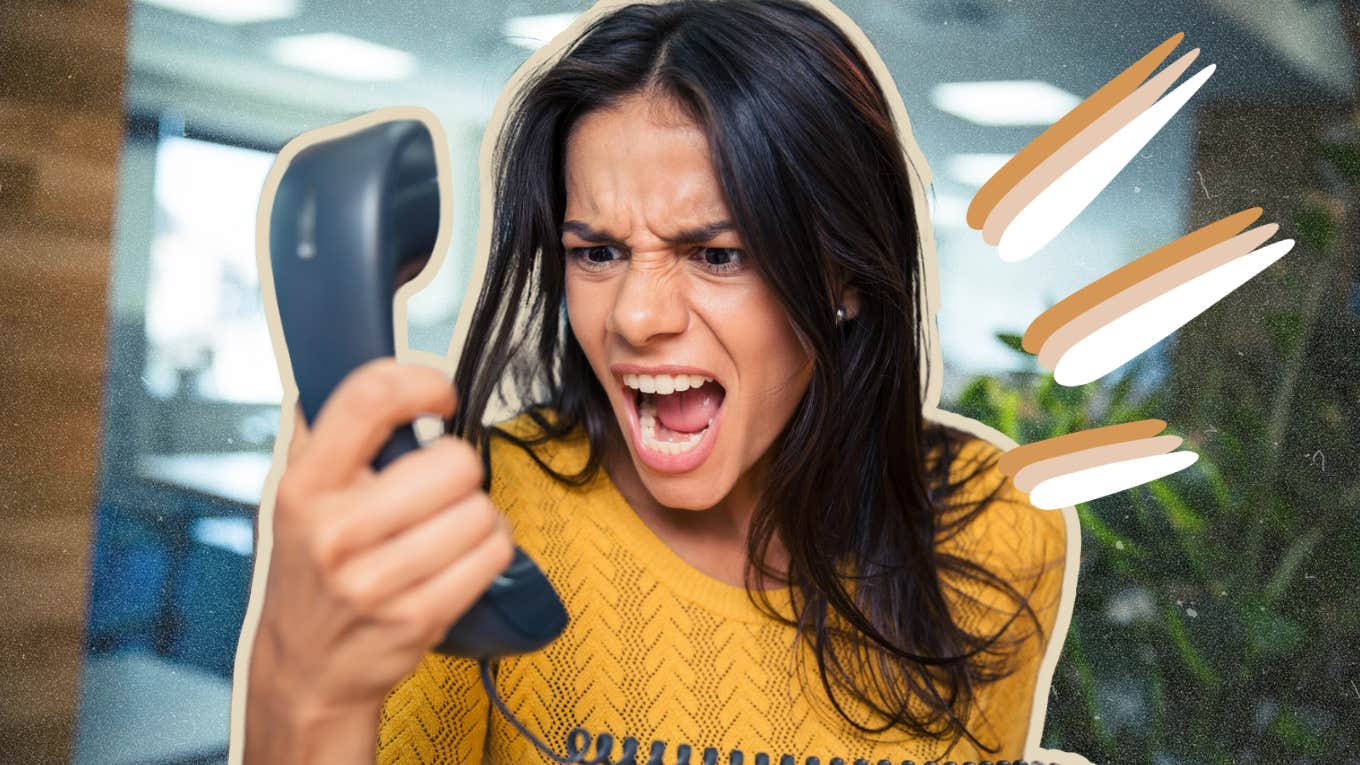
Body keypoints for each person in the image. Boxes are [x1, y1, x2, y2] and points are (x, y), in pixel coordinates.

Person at [242, 1, 1068, 763]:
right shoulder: (476, 518)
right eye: (596, 252)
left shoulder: (995, 530)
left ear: (845, 277)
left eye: (718, 254)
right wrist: (303, 701)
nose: (635, 317)